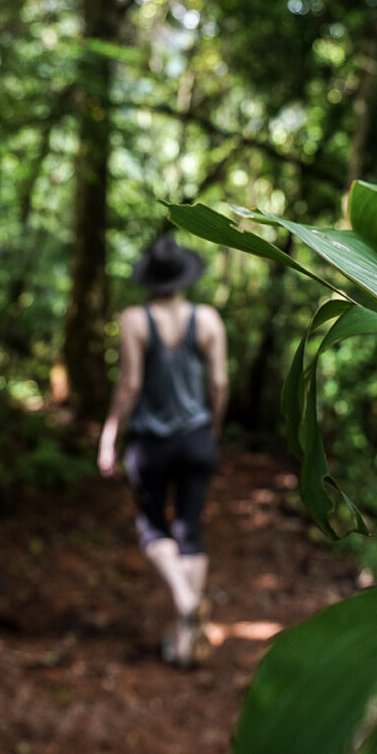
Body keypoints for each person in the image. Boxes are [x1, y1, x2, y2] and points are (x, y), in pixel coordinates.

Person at [97, 234, 228, 667]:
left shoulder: (135, 319)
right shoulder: (207, 319)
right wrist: (213, 428)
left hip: (151, 443)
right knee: (190, 528)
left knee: (154, 530)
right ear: (184, 276)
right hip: (196, 438)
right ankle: (185, 640)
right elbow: (220, 383)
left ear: (150, 279)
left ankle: (187, 605)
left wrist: (110, 434)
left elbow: (131, 384)